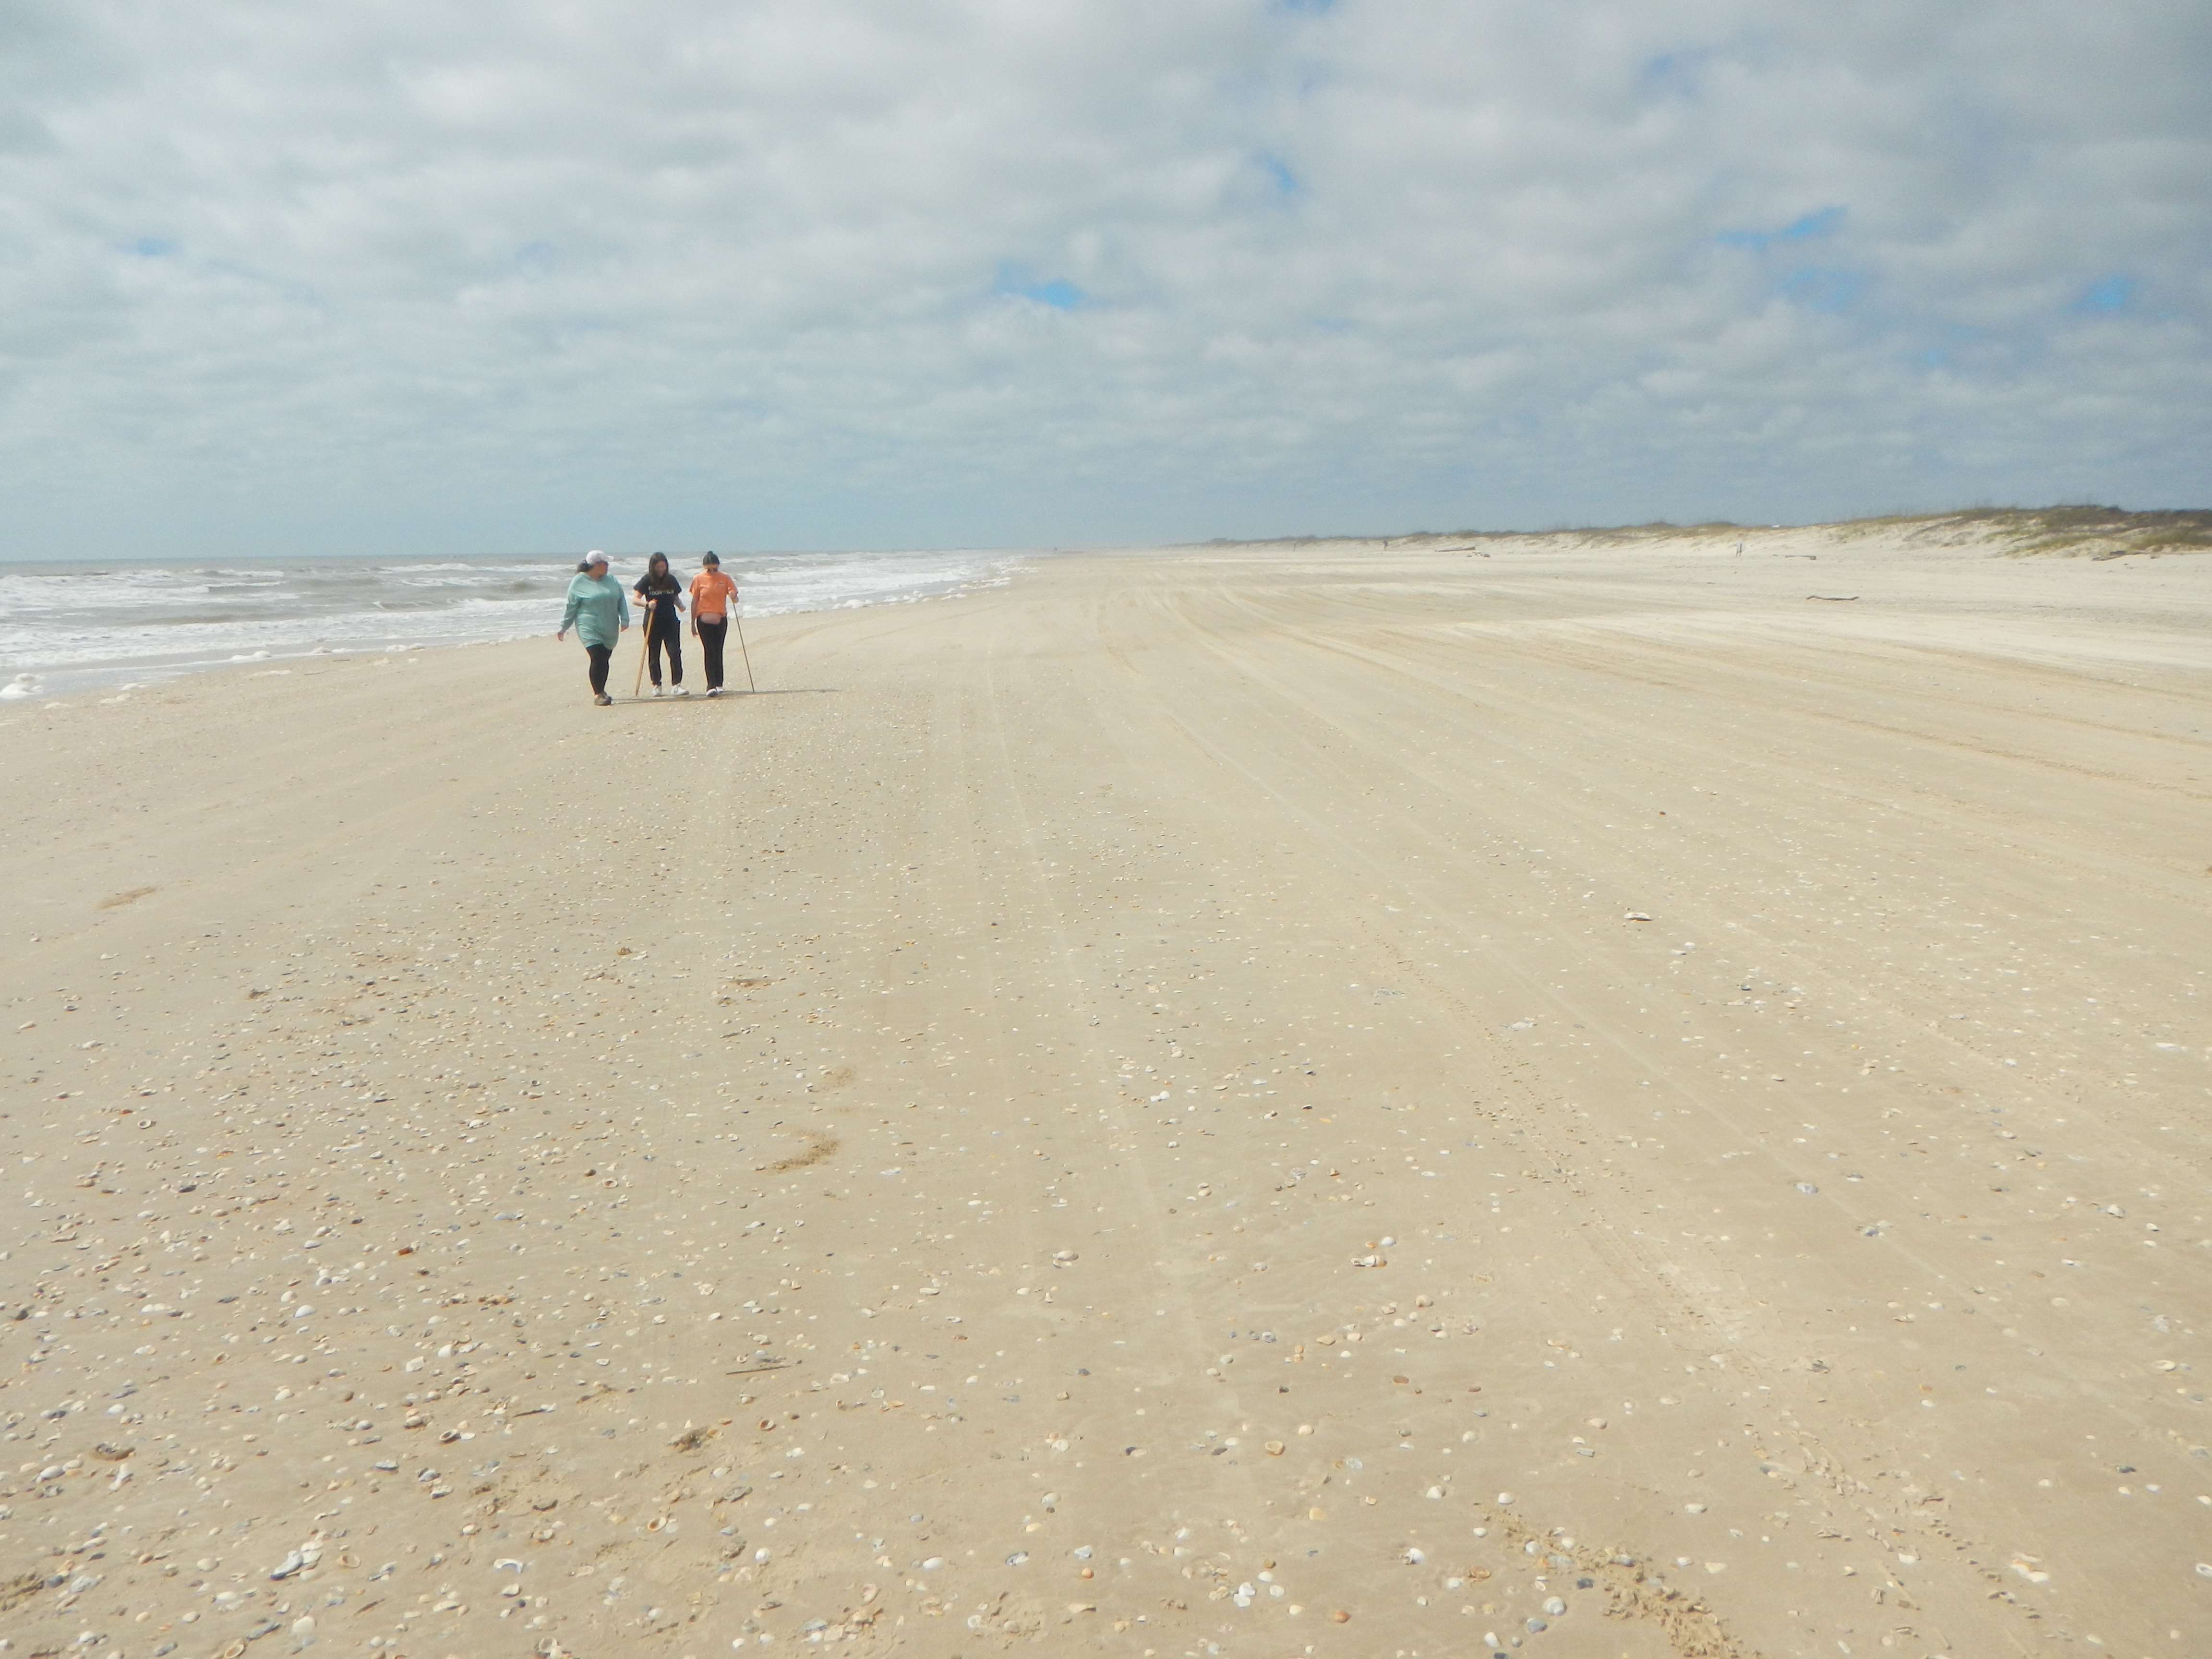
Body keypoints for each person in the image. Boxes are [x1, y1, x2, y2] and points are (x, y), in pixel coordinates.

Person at [556, 551, 630, 706]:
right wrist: (564, 627)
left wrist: (625, 619)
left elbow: (621, 599)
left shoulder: (611, 580)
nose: (608, 566)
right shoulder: (578, 582)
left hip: (610, 625)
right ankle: (598, 694)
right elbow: (571, 606)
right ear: (596, 565)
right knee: (597, 656)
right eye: (605, 563)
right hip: (588, 625)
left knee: (605, 658)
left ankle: (602, 690)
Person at [634, 553, 686, 695]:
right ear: (652, 567)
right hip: (653, 621)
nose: (661, 569)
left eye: (663, 566)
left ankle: (677, 685)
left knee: (675, 652)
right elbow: (635, 599)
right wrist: (647, 604)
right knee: (654, 654)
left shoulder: (671, 579)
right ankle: (656, 685)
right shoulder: (647, 580)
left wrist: (680, 605)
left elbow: (675, 596)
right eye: (658, 567)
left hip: (670, 621)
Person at [689, 552, 739, 697]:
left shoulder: (725, 578)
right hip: (703, 621)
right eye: (708, 570)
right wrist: (692, 624)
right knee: (709, 651)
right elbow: (694, 602)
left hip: (720, 620)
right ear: (704, 568)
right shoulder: (698, 579)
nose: (711, 572)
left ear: (718, 567)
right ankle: (710, 685)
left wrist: (733, 596)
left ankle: (719, 683)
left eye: (714, 569)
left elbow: (735, 599)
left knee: (718, 651)